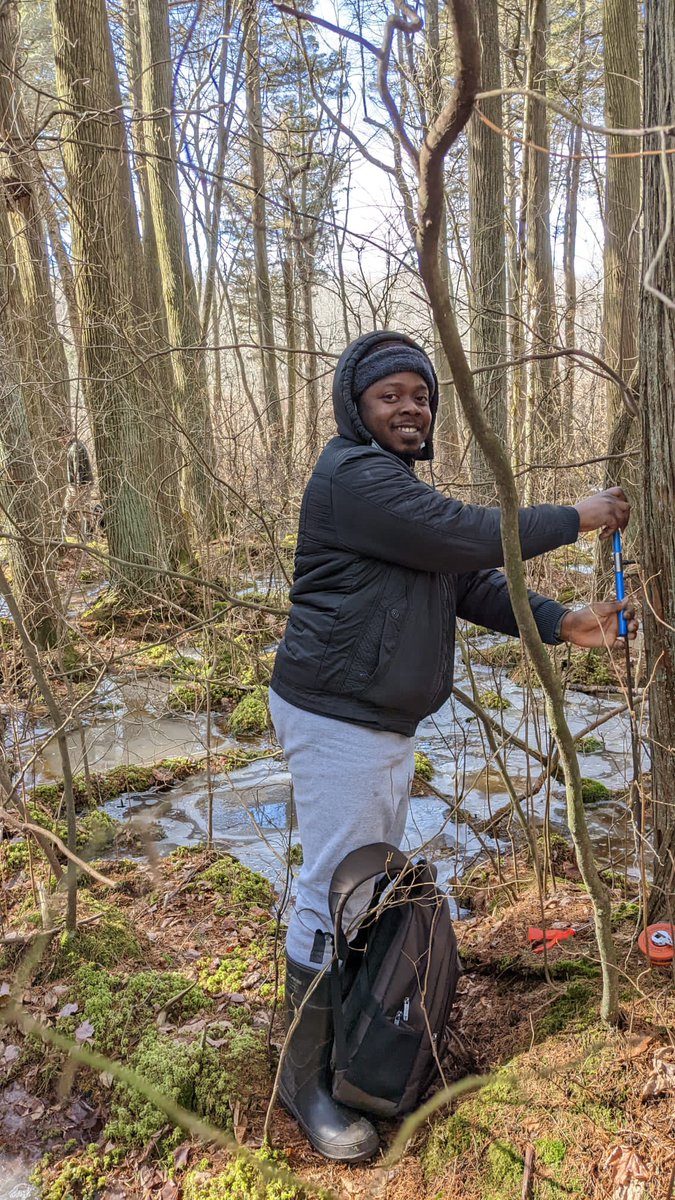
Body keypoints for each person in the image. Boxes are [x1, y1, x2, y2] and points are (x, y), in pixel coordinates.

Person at [269, 330, 637, 1162]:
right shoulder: (352, 478)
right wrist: (578, 517)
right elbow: (473, 536)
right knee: (333, 889)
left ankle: (354, 1059)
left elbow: (468, 577)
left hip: (373, 721)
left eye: (420, 394)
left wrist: (561, 621)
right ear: (356, 408)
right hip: (338, 718)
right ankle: (302, 1085)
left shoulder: (394, 494)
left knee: (361, 893)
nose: (410, 407)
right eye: (389, 395)